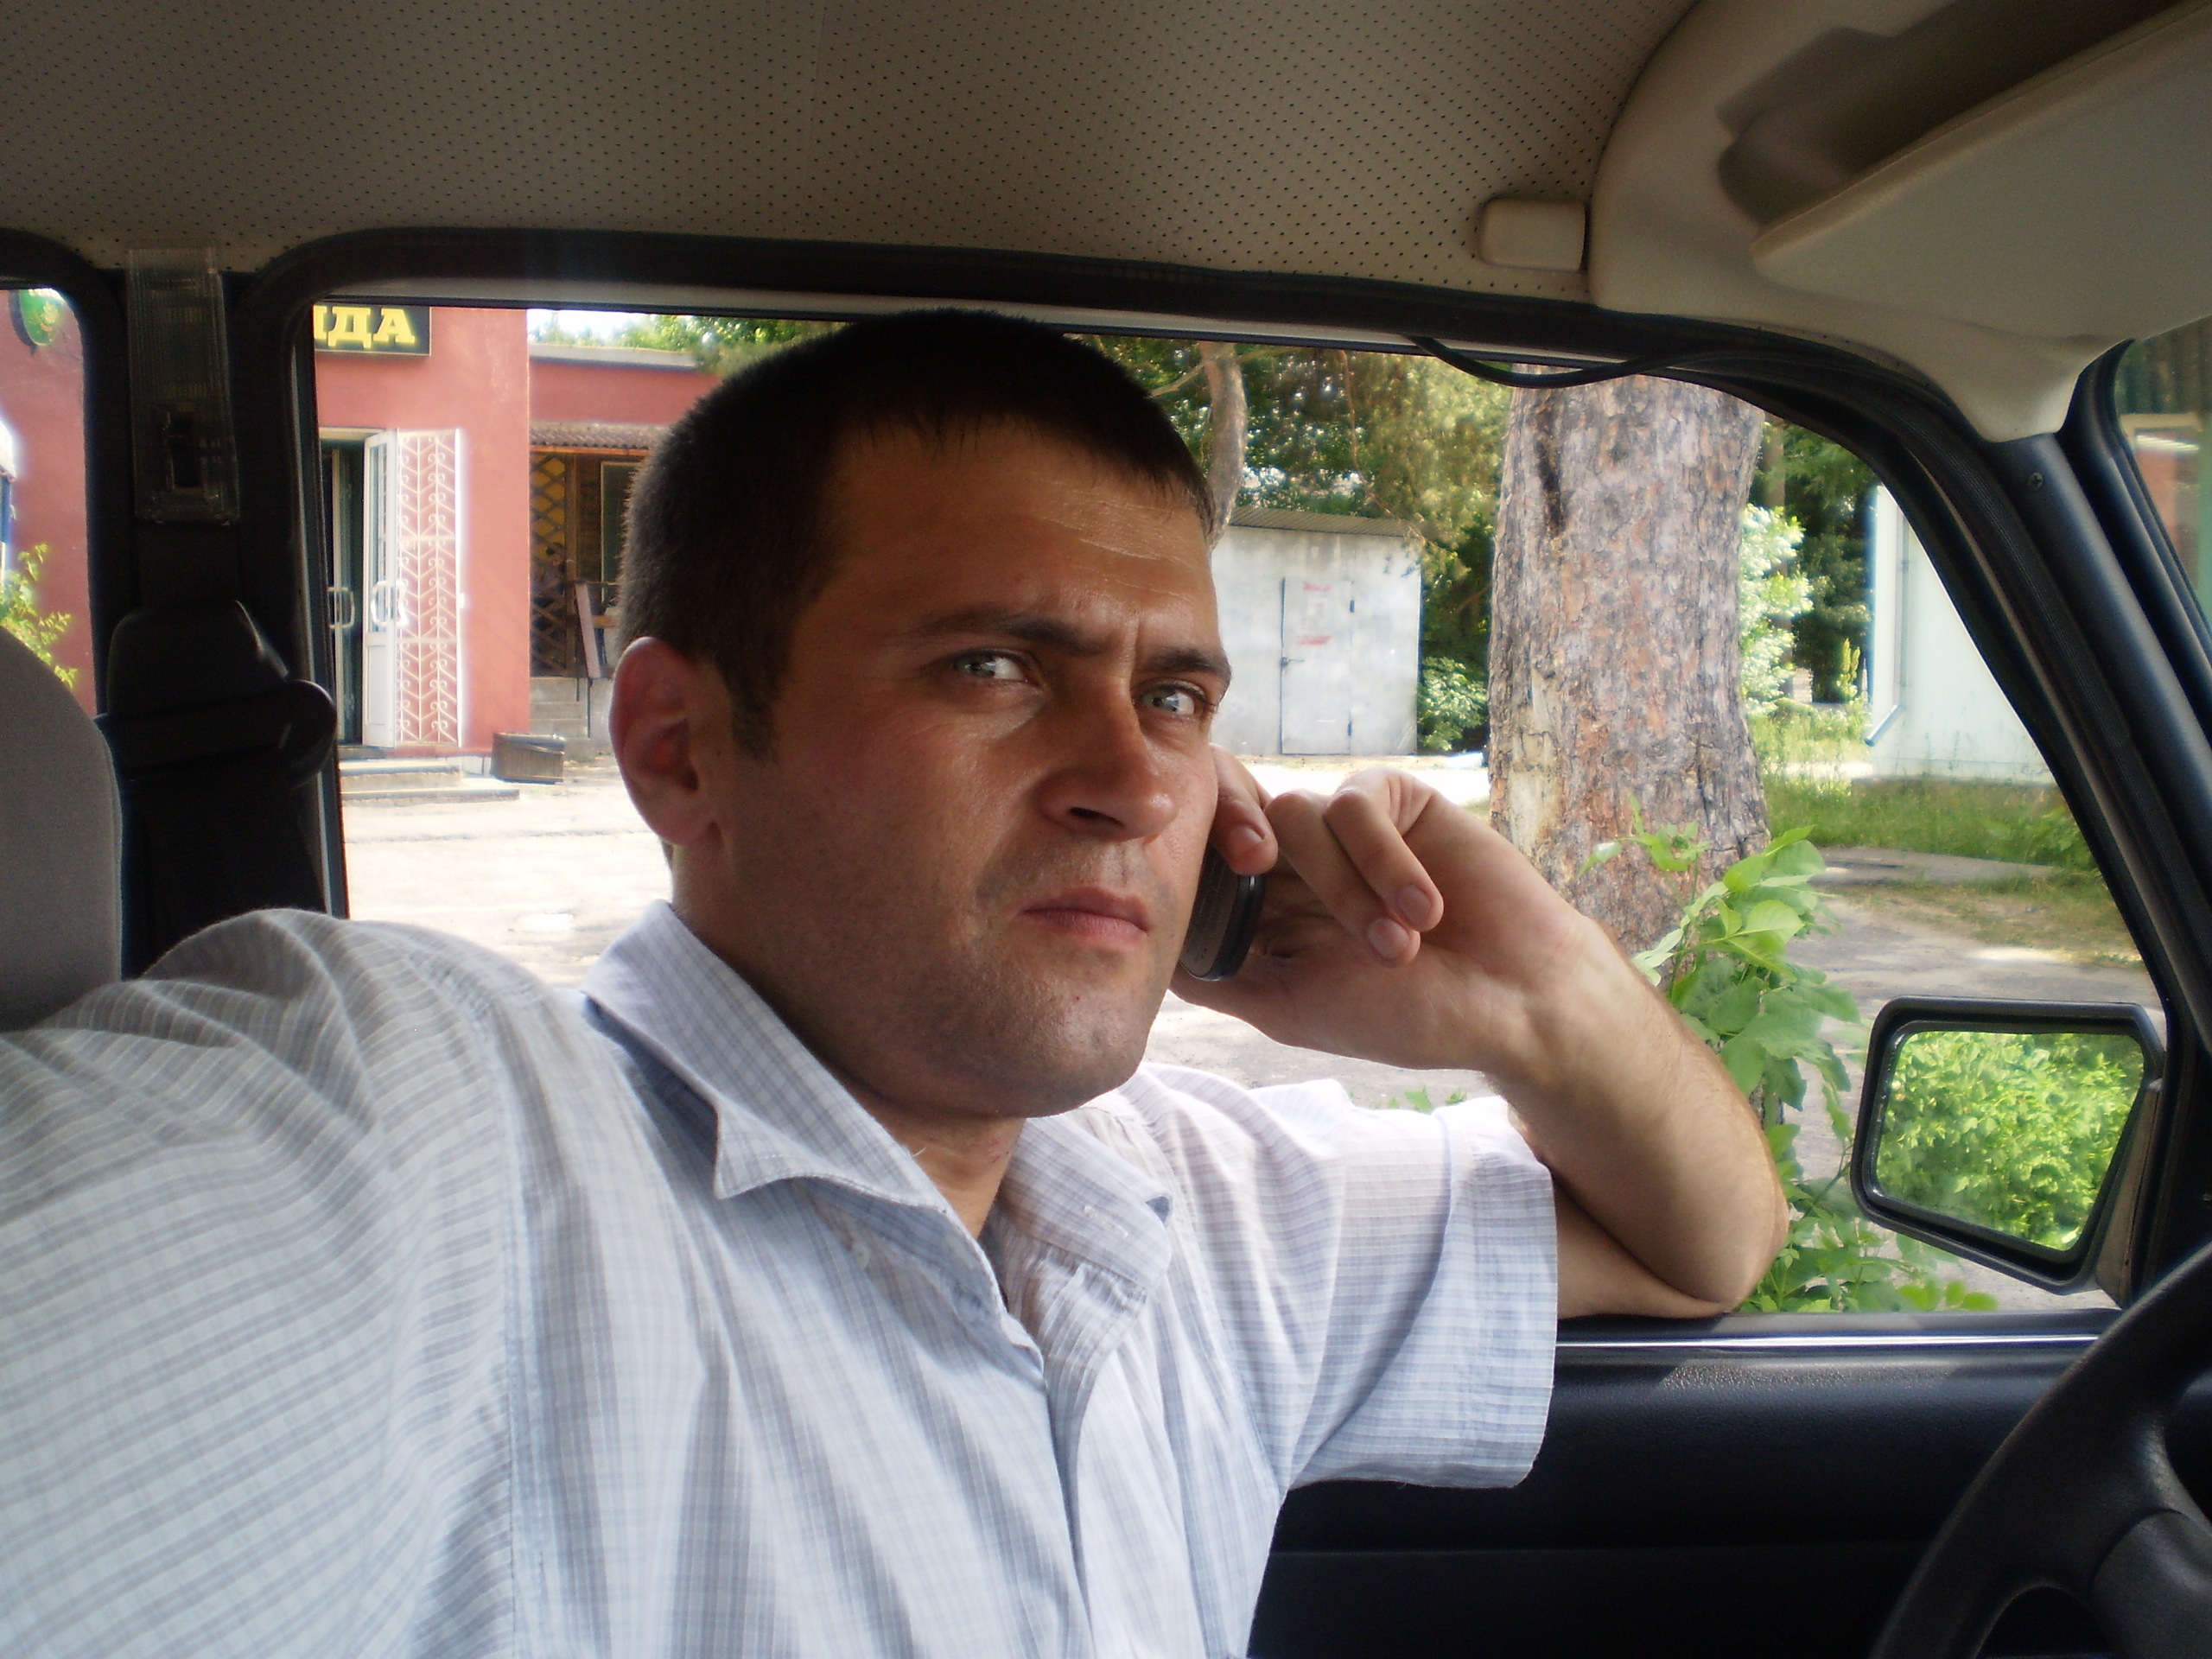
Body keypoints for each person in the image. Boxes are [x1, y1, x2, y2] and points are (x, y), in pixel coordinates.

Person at [0, 311, 1783, 1656]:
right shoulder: (424, 1143)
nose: (1135, 781)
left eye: (1174, 696)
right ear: (680, 750)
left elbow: (1698, 1241)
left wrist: (1532, 1006)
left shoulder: (1200, 1209)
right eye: (995, 667)